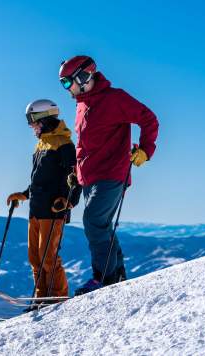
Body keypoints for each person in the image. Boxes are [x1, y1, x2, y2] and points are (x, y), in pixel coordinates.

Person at [58, 55, 159, 295]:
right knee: (100, 224)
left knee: (93, 222)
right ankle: (117, 273)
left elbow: (149, 119)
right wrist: (76, 172)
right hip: (89, 177)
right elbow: (84, 145)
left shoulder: (114, 99)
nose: (66, 88)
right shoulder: (81, 105)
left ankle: (104, 277)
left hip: (112, 173)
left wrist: (145, 150)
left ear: (83, 77)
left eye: (66, 82)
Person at [7, 99, 80, 306]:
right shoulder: (41, 145)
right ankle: (41, 297)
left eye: (33, 121)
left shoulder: (64, 145)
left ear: (45, 119)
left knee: (49, 257)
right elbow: (39, 179)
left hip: (53, 209)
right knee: (35, 258)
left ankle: (57, 297)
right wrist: (24, 194)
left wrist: (69, 201)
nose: (31, 126)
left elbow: (77, 177)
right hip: (36, 209)